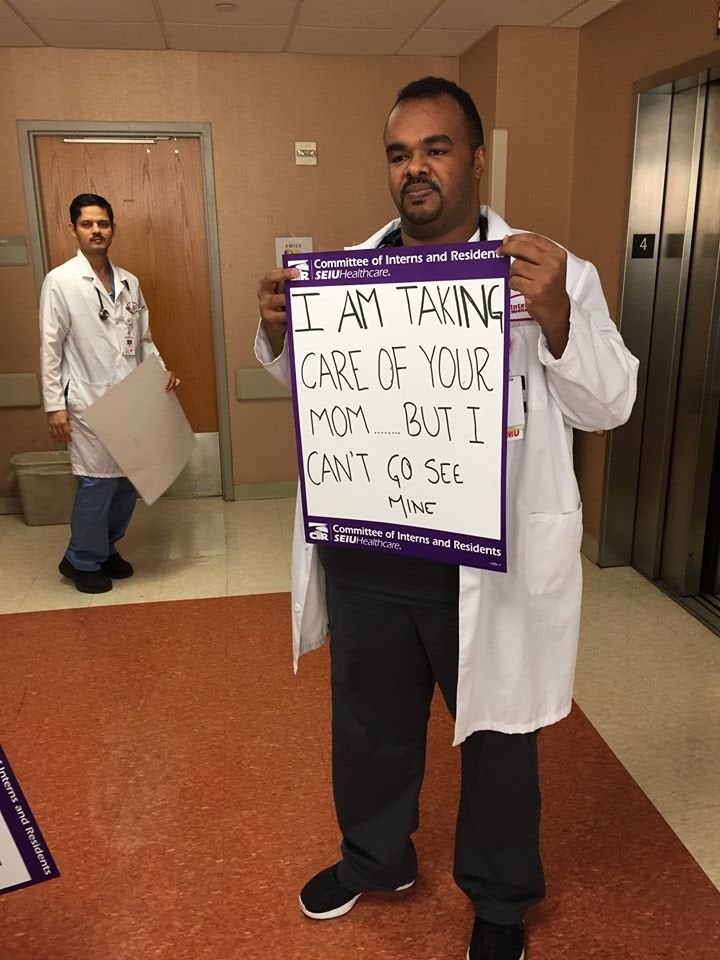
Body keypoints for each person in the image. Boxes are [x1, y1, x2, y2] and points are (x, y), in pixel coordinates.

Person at [255, 77, 638, 960]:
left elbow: (610, 403)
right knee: (368, 727)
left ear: (474, 158)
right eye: (399, 153)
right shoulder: (347, 275)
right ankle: (374, 858)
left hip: (484, 565)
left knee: (499, 742)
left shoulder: (551, 270)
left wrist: (557, 321)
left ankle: (500, 903)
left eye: (434, 148)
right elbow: (320, 400)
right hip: (369, 553)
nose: (415, 168)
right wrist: (280, 332)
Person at [39, 193, 178, 595]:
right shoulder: (61, 281)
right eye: (87, 224)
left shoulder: (129, 282)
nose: (96, 231)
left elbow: (144, 339)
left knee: (127, 481)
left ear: (112, 227)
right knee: (96, 482)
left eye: (103, 223)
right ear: (74, 229)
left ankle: (105, 548)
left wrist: (162, 370)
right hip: (88, 398)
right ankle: (81, 559)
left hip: (131, 397)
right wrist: (54, 406)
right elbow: (50, 345)